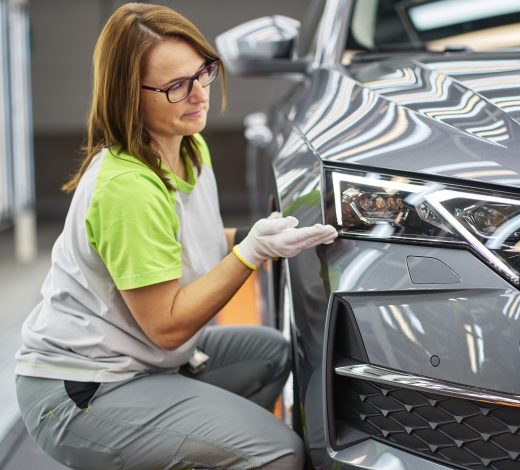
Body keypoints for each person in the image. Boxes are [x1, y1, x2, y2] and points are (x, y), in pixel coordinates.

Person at [14, 3, 336, 469]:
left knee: (268, 354)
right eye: (176, 86)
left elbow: (177, 242)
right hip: (86, 388)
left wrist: (261, 235)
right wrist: (250, 253)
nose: (199, 95)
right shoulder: (127, 187)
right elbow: (167, 328)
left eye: (203, 73)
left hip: (140, 361)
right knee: (277, 452)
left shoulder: (188, 146)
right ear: (130, 96)